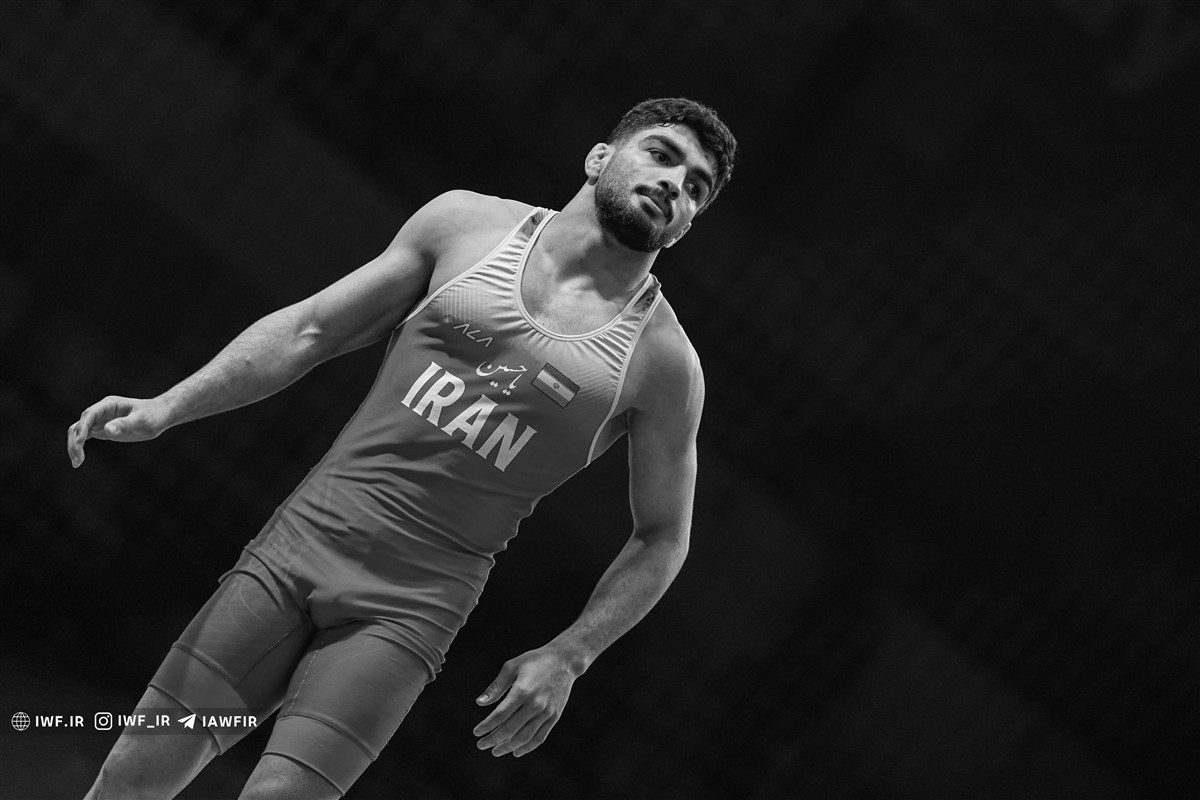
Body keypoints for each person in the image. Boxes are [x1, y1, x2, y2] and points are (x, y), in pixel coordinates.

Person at [68, 96, 737, 799]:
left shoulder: (665, 365)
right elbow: (310, 331)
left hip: (409, 610)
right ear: (600, 157)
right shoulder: (466, 226)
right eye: (662, 155)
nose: (674, 184)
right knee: (130, 779)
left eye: (696, 187)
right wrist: (168, 407)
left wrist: (572, 654)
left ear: (689, 223)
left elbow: (664, 536)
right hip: (295, 549)